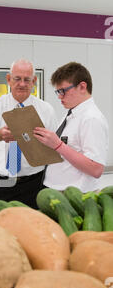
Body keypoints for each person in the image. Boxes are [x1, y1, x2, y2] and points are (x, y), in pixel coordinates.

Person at [0, 59, 58, 221]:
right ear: (8, 79)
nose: (22, 84)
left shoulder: (46, 110)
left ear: (34, 81)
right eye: (17, 79)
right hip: (0, 183)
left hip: (34, 183)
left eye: (27, 79)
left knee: (31, 233)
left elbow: (55, 147)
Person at [33, 61, 109, 192]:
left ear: (82, 87)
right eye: (58, 92)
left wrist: (58, 145)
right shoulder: (71, 114)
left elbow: (96, 169)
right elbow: (66, 152)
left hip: (76, 197)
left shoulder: (91, 119)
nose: (60, 97)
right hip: (57, 191)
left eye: (63, 91)